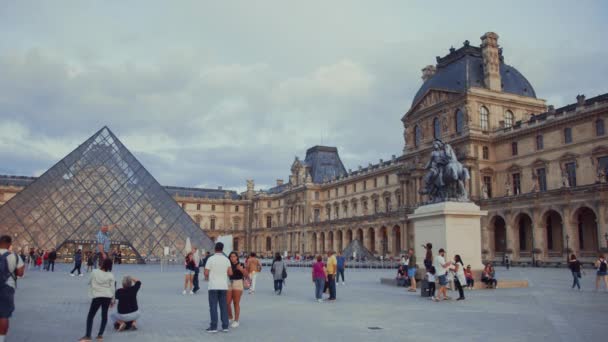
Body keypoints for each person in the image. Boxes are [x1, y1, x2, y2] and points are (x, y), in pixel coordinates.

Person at [79, 258, 115, 342]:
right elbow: (113, 288)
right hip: (107, 297)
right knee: (104, 316)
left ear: (102, 263)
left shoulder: (94, 272)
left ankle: (88, 336)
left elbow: (87, 282)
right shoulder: (111, 275)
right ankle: (100, 335)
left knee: (91, 315)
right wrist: (113, 300)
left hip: (97, 296)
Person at [0, 235, 25, 342]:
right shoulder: (14, 256)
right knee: (4, 315)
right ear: (10, 244)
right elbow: (20, 273)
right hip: (7, 287)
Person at [204, 242, 233, 333]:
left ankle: (214, 327)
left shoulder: (210, 259)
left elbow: (206, 273)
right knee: (223, 306)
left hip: (213, 286)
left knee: (213, 306)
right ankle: (225, 326)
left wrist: (208, 277)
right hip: (223, 286)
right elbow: (230, 273)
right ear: (222, 249)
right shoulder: (226, 260)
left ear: (215, 249)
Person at [227, 252, 247, 328]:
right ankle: (230, 317)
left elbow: (246, 275)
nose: (232, 258)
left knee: (236, 302)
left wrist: (241, 270)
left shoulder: (241, 264)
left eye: (234, 256)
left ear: (237, 257)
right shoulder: (227, 264)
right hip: (228, 283)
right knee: (227, 302)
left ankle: (236, 320)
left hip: (238, 283)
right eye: (231, 256)